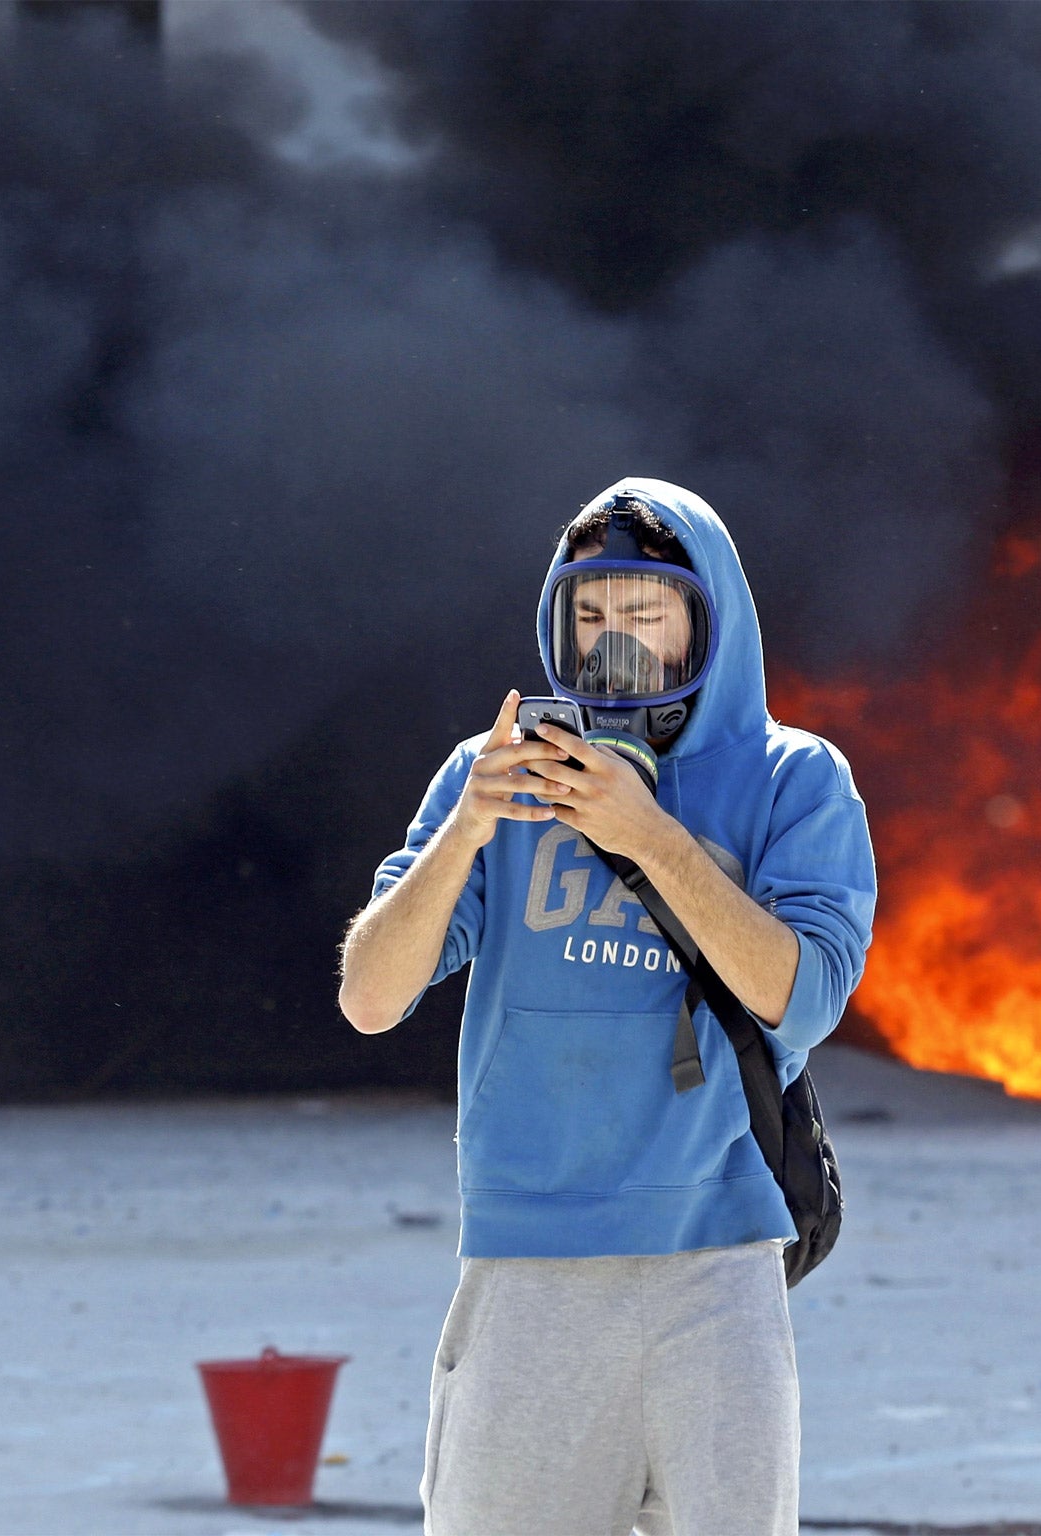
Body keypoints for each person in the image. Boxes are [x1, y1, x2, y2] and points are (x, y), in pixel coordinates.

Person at [337, 478, 876, 1536]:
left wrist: (650, 837)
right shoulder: (488, 776)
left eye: (644, 614)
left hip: (715, 1267)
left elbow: (802, 998)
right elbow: (368, 997)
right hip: (528, 1266)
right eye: (589, 614)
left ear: (706, 619)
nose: (611, 642)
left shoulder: (793, 779)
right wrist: (468, 829)